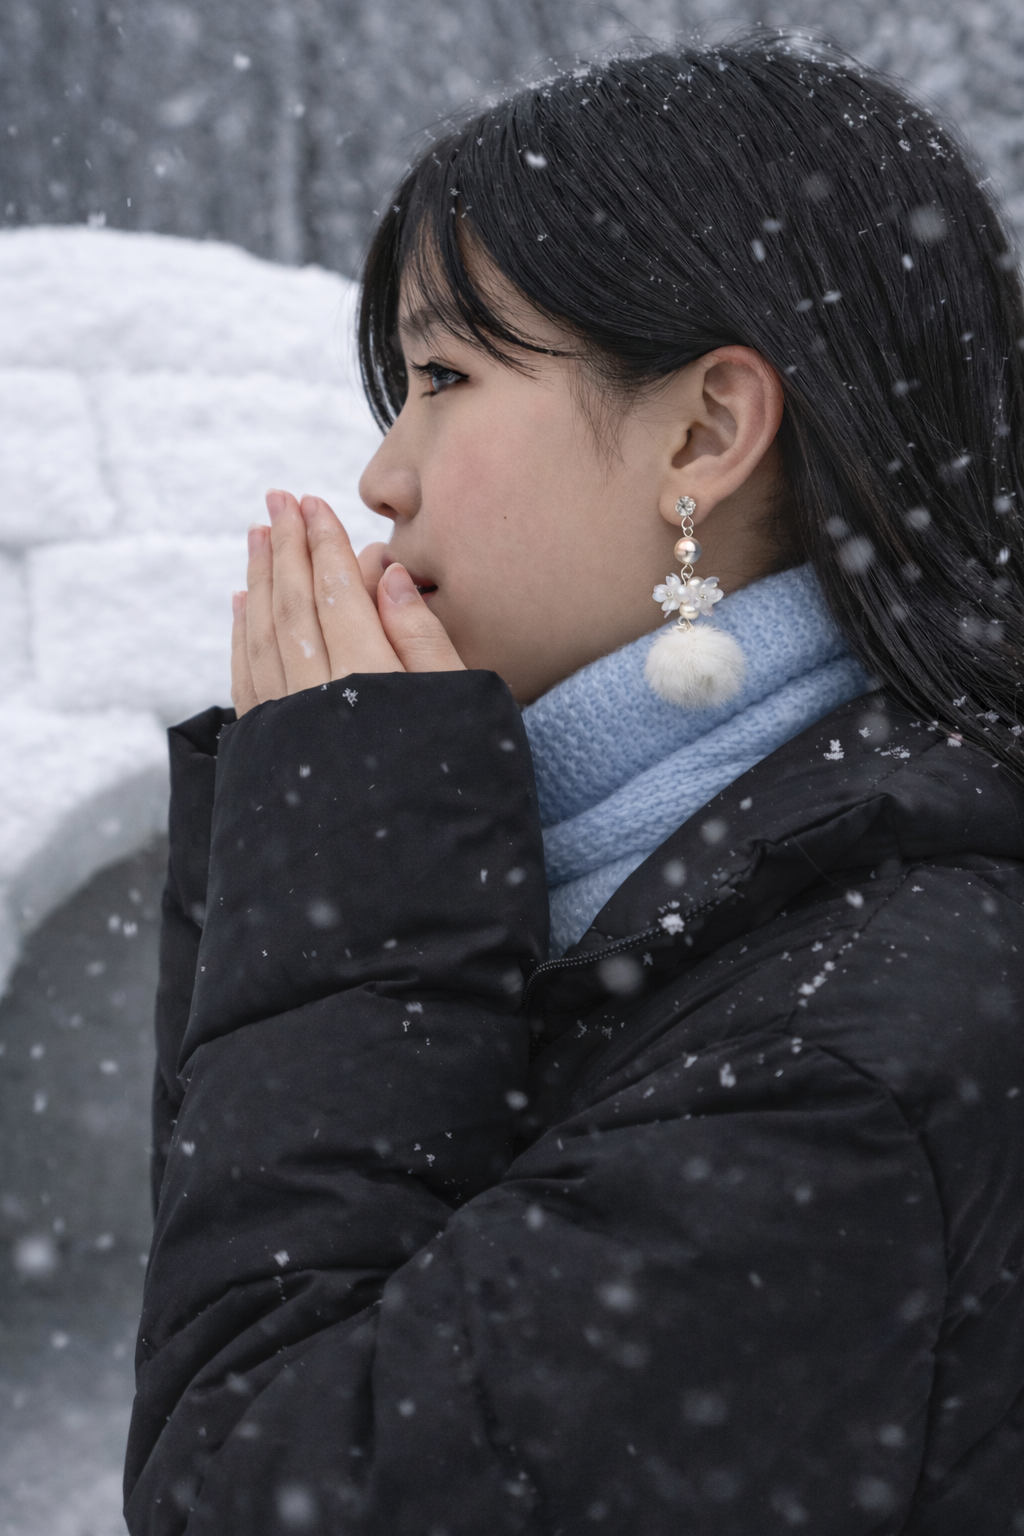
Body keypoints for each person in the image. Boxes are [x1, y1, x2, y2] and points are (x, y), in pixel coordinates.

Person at [125, 34, 1024, 1535]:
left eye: (442, 378)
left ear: (704, 432)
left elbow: (251, 1480)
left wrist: (344, 875)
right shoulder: (687, 897)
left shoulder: (869, 1045)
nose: (383, 478)